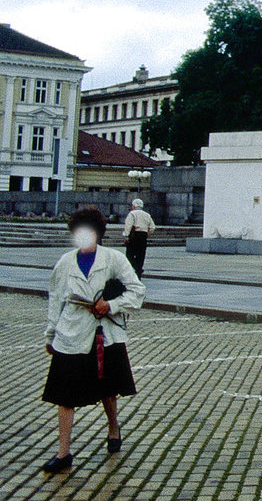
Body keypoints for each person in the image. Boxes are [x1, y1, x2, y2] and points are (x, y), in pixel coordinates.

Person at [41, 206, 145, 474]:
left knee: (109, 389)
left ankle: (113, 427)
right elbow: (55, 299)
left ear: (98, 234)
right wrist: (50, 334)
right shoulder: (65, 262)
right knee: (65, 396)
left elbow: (137, 291)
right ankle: (63, 453)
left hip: (105, 335)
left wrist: (109, 305)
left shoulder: (113, 259)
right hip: (71, 333)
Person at [122, 199, 156, 278]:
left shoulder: (132, 214)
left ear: (133, 206)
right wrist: (147, 234)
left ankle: (137, 269)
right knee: (140, 255)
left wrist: (126, 236)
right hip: (143, 235)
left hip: (134, 235)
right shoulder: (147, 215)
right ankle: (139, 270)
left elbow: (128, 226)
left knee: (129, 255)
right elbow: (152, 227)